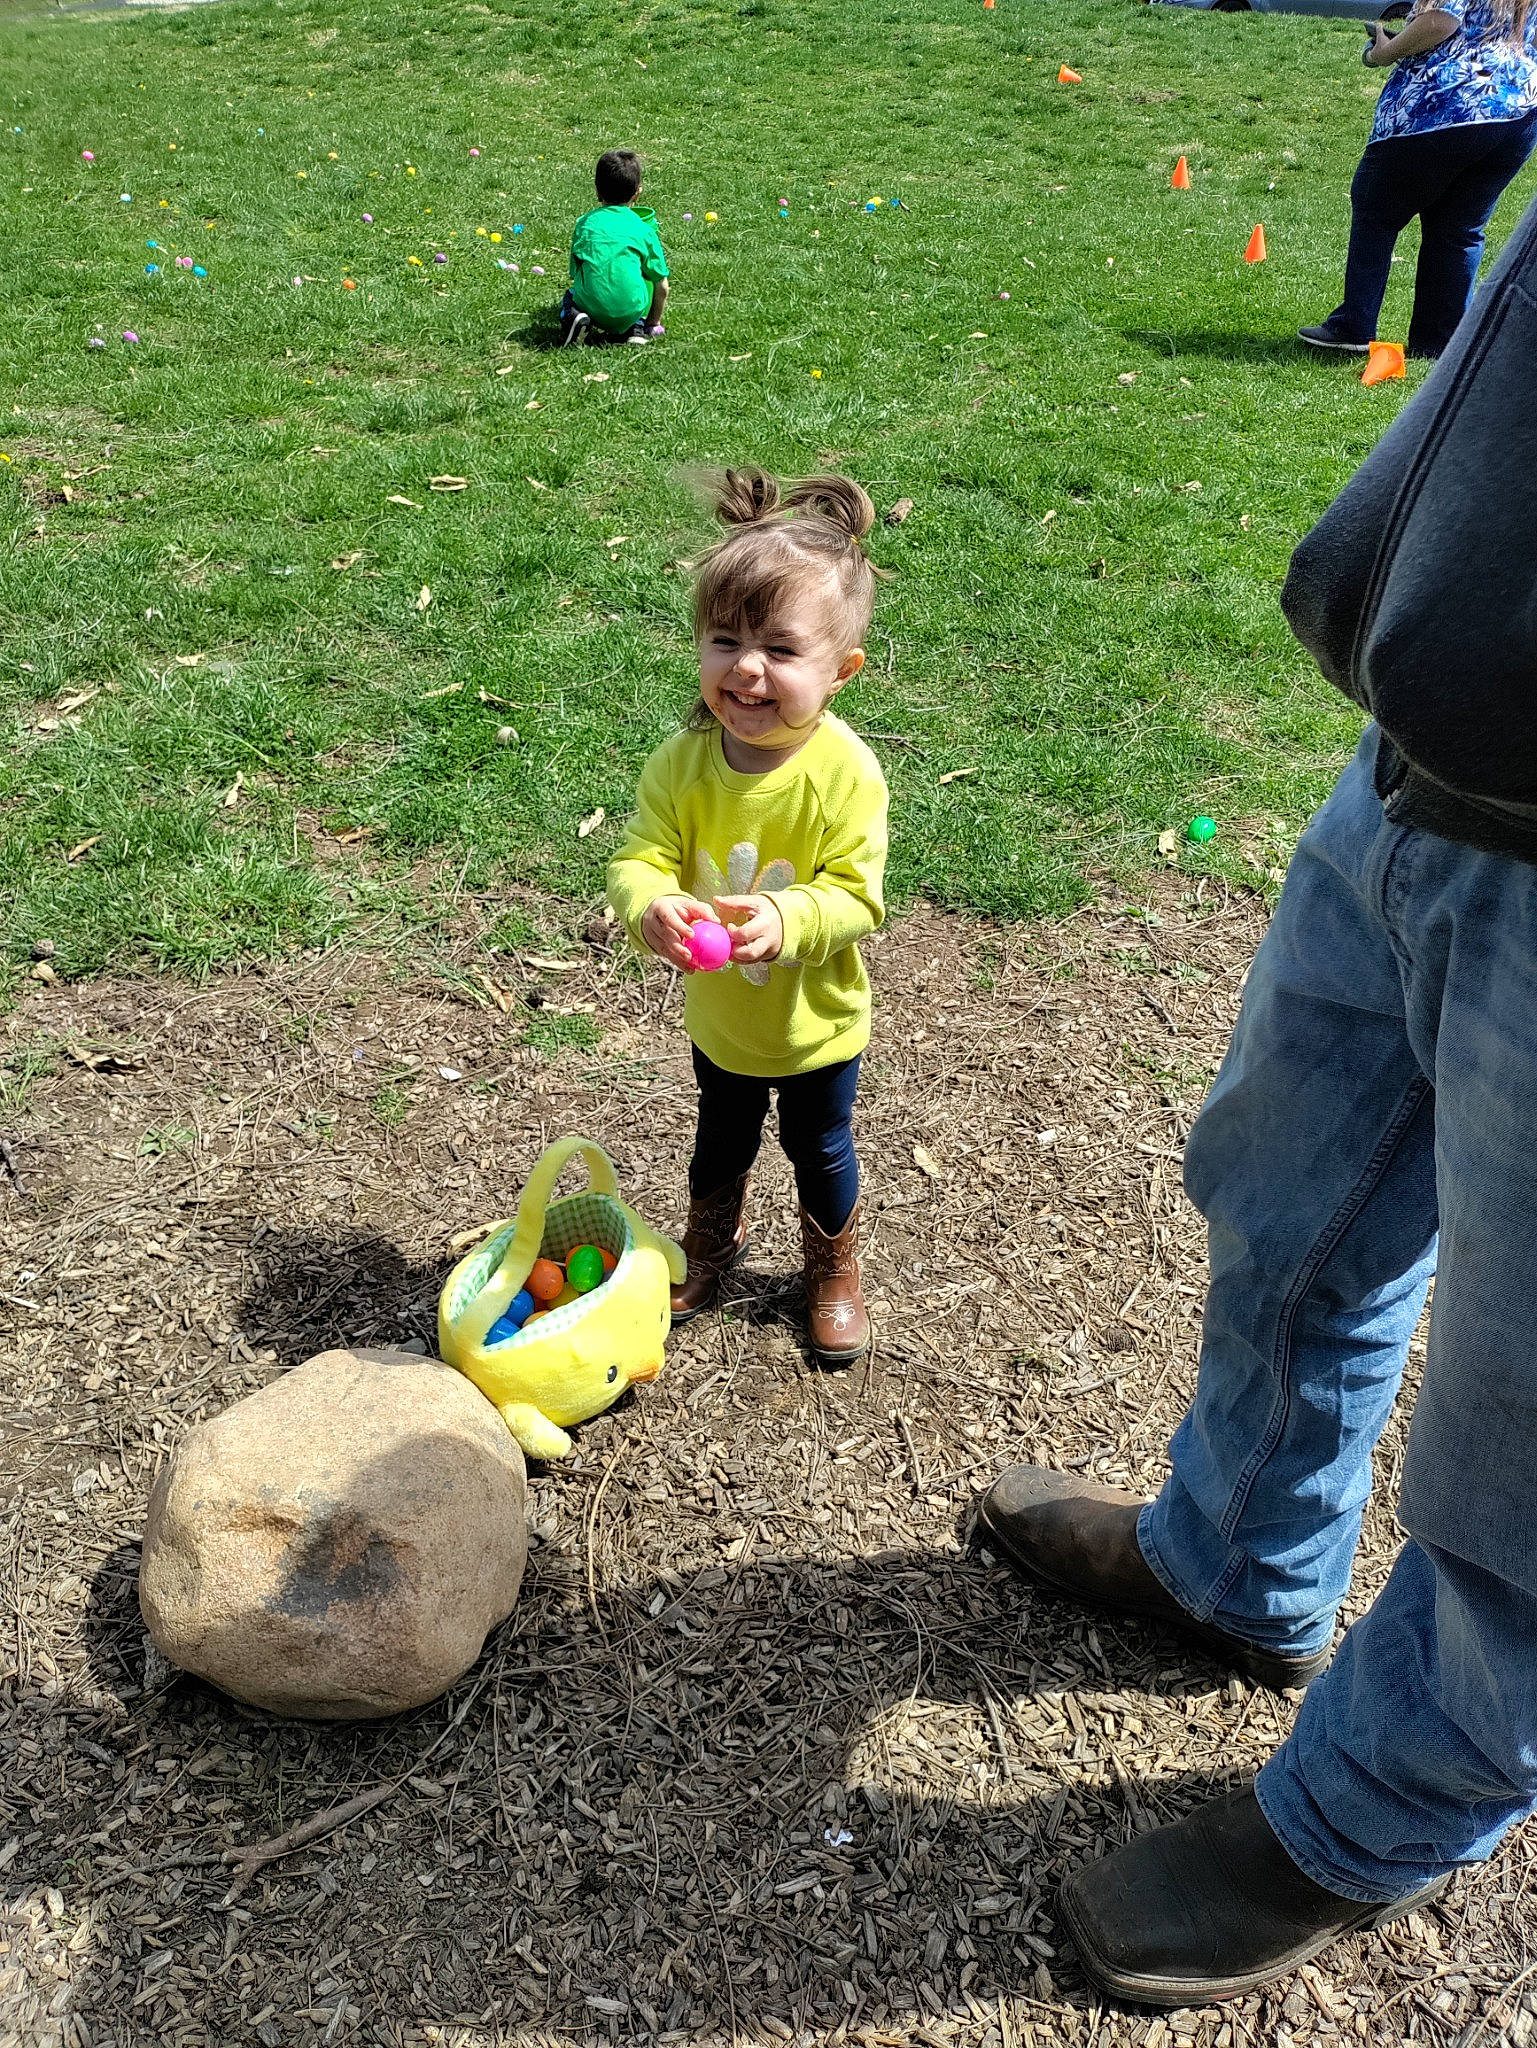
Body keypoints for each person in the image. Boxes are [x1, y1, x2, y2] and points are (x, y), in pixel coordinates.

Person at [980, 191, 1537, 2007]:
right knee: (1285, 1205)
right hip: (1417, 770)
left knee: (1525, 1461)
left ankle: (1362, 1816)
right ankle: (1235, 1566)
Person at [606, 469, 889, 1364]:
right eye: (724, 640)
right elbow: (640, 854)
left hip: (815, 1028)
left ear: (840, 671)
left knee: (821, 1149)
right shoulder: (683, 762)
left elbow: (856, 895)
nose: (747, 668)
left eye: (780, 648)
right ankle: (709, 1241)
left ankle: (831, 1271)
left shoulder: (845, 776)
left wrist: (786, 917)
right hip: (722, 1020)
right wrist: (649, 904)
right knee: (717, 1138)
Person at [1299, 0, 1537, 358]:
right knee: (1458, 230)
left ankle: (1353, 325)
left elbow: (1441, 21)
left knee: (1376, 209)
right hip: (1518, 114)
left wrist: (1387, 51)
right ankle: (1439, 345)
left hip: (1446, 106)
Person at [560, 148, 671, 347]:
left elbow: (575, 272)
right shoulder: (644, 230)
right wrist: (653, 323)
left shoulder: (584, 223)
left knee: (570, 296)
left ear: (596, 190)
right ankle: (637, 328)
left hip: (592, 307)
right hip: (630, 309)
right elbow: (662, 286)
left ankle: (575, 318)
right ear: (638, 193)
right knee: (635, 294)